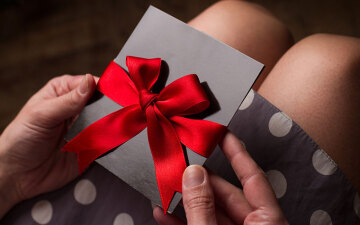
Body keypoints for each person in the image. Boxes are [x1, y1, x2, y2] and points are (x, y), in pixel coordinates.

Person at [0, 0, 359, 224]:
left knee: (238, 20)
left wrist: (9, 174)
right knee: (336, 68)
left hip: (40, 188)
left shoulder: (23, 172)